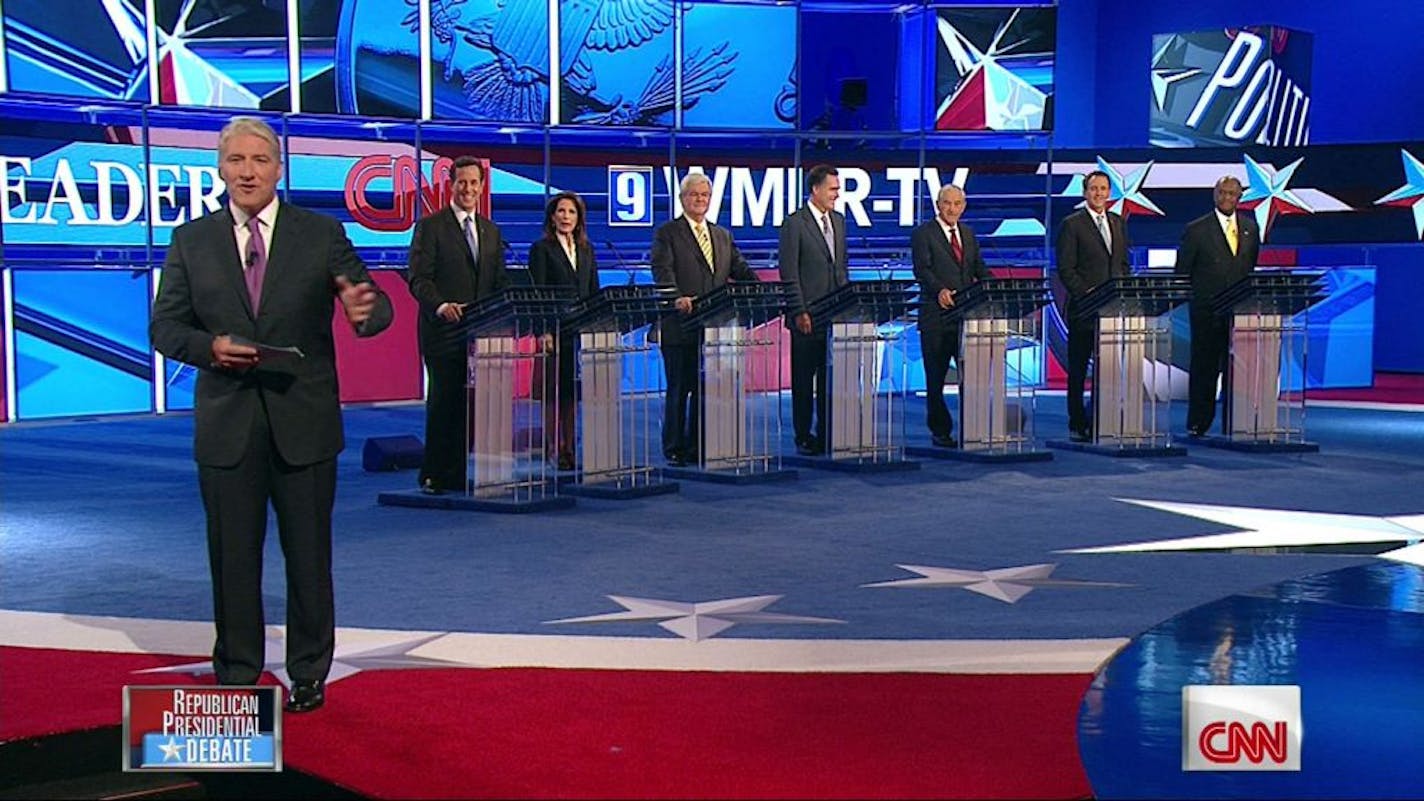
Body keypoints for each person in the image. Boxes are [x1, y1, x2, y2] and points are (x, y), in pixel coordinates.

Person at [149, 116, 393, 713]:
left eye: (260, 159)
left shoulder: (319, 233)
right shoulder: (191, 240)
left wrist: (367, 310)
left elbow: (372, 303)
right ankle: (237, 670)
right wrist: (208, 349)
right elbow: (164, 326)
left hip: (302, 421)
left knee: (308, 557)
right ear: (220, 170)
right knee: (232, 556)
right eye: (237, 161)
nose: (248, 171)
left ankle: (309, 670)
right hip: (227, 425)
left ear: (279, 168)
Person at [406, 156, 510, 494]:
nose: (468, 188)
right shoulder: (431, 227)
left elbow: (497, 281)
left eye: (474, 183)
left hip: (480, 332)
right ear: (451, 185)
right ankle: (433, 474)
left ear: (482, 187)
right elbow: (419, 279)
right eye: (462, 182)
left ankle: (457, 471)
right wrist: (441, 306)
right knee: (444, 401)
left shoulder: (491, 232)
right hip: (443, 331)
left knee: (470, 405)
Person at [651, 172, 760, 467]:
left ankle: (699, 443)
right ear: (682, 198)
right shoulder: (668, 233)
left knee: (706, 387)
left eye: (705, 195)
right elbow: (662, 272)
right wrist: (675, 297)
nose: (700, 200)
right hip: (680, 324)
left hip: (715, 328)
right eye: (694, 195)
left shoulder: (722, 235)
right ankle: (674, 447)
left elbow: (740, 268)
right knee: (680, 387)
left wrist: (761, 290)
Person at [1175, 175, 1260, 436]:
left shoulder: (1250, 228)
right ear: (1215, 195)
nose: (1226, 198)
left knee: (1238, 368)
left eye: (1231, 193)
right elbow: (1182, 272)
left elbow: (1249, 267)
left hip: (1239, 312)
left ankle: (1237, 421)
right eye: (1222, 192)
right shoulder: (1197, 229)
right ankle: (1199, 421)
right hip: (1206, 312)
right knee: (1205, 367)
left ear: (1239, 197)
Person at [911, 184, 992, 448]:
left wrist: (994, 288)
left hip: (966, 317)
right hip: (936, 316)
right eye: (947, 203)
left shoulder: (968, 234)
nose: (952, 209)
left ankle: (972, 427)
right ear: (938, 204)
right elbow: (922, 270)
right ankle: (940, 430)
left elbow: (977, 266)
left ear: (964, 206)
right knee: (935, 379)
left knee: (970, 377)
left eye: (958, 204)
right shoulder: (924, 234)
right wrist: (940, 290)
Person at [778, 164, 849, 456]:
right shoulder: (794, 224)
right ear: (815, 189)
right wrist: (799, 311)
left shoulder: (840, 221)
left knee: (830, 378)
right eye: (832, 188)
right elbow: (789, 272)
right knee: (805, 380)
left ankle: (828, 431)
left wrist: (847, 307)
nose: (837, 194)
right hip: (807, 315)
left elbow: (841, 268)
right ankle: (803, 434)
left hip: (836, 314)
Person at [1055, 170, 1131, 442]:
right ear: (1085, 192)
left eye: (1103, 188)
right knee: (1078, 369)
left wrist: (1124, 292)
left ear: (1109, 192)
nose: (1098, 193)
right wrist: (1086, 294)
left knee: (1107, 368)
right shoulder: (1072, 224)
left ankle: (1101, 417)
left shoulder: (1118, 222)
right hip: (1084, 310)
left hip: (1113, 311)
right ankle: (1078, 423)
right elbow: (1066, 268)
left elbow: (1122, 263)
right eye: (1093, 188)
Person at [528, 191, 601, 470]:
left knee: (571, 392)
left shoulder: (586, 248)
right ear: (552, 216)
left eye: (571, 212)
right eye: (561, 211)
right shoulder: (542, 249)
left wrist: (596, 324)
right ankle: (552, 448)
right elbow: (537, 294)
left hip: (578, 330)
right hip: (554, 331)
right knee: (552, 392)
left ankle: (570, 449)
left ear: (579, 218)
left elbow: (593, 290)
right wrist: (543, 331)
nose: (566, 217)